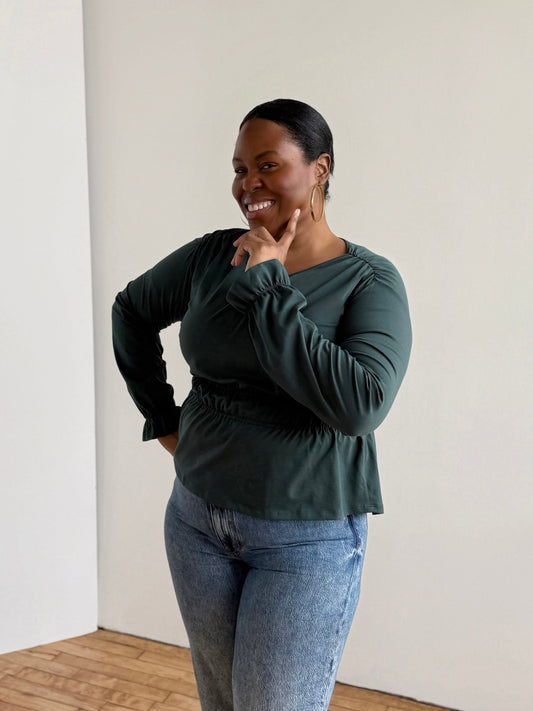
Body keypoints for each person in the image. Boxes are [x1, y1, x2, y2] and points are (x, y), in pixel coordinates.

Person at [112, 98, 412, 711]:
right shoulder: (212, 256)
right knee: (222, 702)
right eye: (240, 169)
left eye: (268, 165)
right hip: (196, 520)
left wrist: (271, 286)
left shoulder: (369, 281)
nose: (249, 183)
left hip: (305, 538)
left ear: (320, 168)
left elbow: (360, 406)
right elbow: (132, 311)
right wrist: (165, 421)